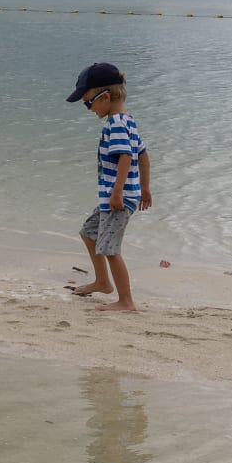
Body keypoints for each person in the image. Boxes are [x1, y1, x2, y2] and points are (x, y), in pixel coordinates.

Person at [66, 61, 153, 312]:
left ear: (104, 97)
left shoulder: (115, 124)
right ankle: (103, 282)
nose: (88, 109)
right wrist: (145, 188)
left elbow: (126, 156)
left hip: (117, 197)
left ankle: (126, 302)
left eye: (88, 102)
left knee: (110, 249)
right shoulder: (128, 120)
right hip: (120, 195)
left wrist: (117, 192)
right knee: (89, 232)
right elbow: (143, 155)